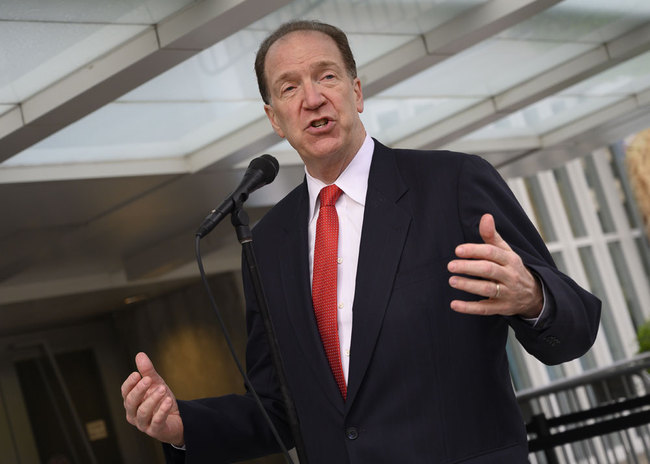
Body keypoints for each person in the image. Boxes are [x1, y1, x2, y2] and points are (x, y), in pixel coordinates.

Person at [121, 20, 601, 463]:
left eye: (326, 77)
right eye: (290, 88)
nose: (311, 98)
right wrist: (184, 425)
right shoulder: (266, 245)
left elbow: (574, 331)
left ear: (356, 92)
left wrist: (534, 297)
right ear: (274, 118)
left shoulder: (453, 184)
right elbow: (278, 408)